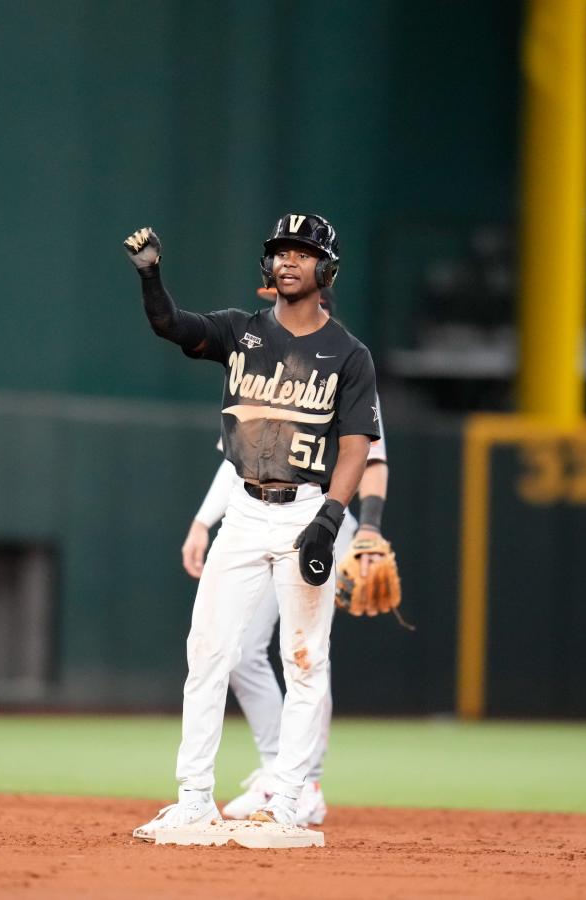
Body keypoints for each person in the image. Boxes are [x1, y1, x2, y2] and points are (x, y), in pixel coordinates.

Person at [123, 213, 380, 838]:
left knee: (304, 661)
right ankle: (193, 802)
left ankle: (286, 803)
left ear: (327, 268)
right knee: (208, 652)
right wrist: (151, 275)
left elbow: (355, 447)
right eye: (280, 252)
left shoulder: (348, 354)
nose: (289, 261)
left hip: (304, 511)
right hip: (242, 510)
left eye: (303, 252)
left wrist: (331, 519)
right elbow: (170, 325)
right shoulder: (241, 333)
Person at [180, 289, 390, 827]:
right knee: (243, 649)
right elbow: (239, 462)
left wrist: (365, 531)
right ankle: (277, 769)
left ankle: (306, 782)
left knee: (303, 654)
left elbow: (370, 459)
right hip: (252, 515)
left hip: (320, 518)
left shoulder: (343, 362)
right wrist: (206, 521)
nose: (274, 290)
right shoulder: (262, 356)